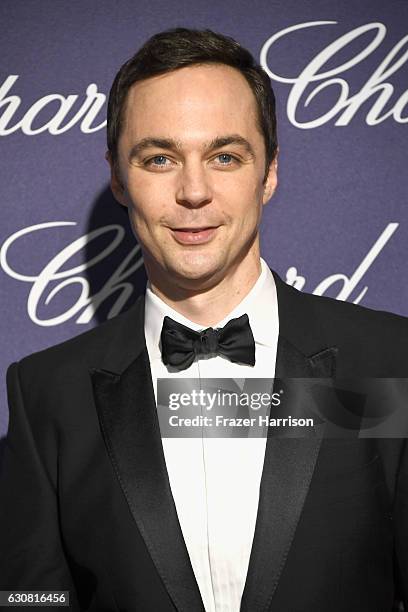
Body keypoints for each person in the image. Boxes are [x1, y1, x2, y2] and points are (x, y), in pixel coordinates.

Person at [0, 27, 407, 612]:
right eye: (160, 158)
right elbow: (28, 598)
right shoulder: (48, 395)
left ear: (268, 173)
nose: (194, 191)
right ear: (119, 177)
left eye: (225, 156)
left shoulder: (388, 362)